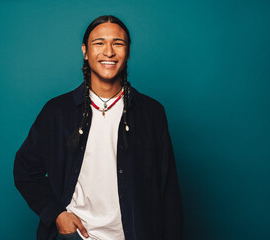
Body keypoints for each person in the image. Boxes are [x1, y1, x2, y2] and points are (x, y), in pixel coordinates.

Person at [14, 15, 183, 240]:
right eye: (99, 43)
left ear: (128, 51)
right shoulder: (57, 111)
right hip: (74, 237)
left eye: (118, 43)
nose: (109, 52)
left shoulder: (151, 113)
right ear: (85, 51)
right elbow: (25, 168)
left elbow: (168, 191)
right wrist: (55, 213)